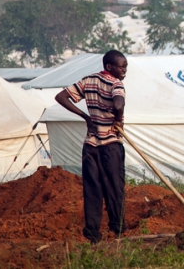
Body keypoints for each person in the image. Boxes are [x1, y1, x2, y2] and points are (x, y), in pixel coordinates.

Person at [55, 49, 127, 243]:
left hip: (90, 145)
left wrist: (85, 117)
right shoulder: (116, 84)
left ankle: (93, 234)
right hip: (110, 144)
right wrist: (118, 119)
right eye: (121, 67)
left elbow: (61, 97)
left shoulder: (87, 80)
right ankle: (118, 230)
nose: (124, 71)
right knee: (115, 187)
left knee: (92, 189)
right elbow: (119, 105)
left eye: (125, 67)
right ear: (109, 67)